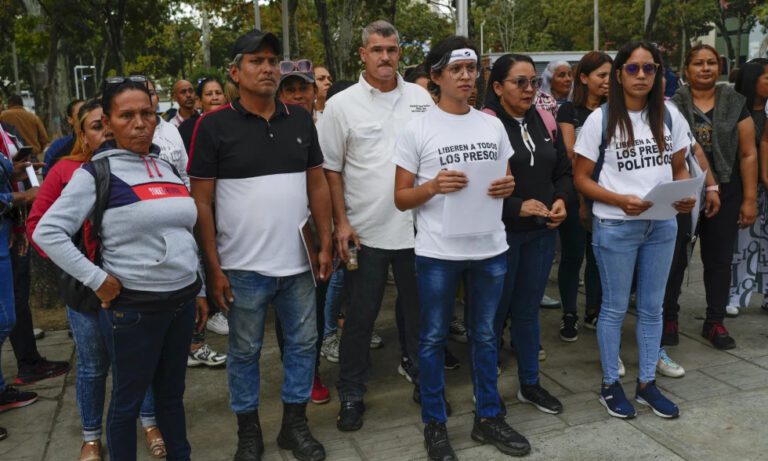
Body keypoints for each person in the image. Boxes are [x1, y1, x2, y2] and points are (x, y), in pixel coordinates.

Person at [34, 76, 202, 461]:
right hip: (134, 310)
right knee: (127, 405)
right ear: (107, 123)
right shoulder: (95, 174)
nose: (140, 123)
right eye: (127, 115)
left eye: (147, 113)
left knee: (172, 399)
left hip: (181, 304)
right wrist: (97, 280)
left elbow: (185, 232)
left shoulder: (164, 166)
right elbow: (48, 231)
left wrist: (200, 287)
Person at [189, 29, 332, 461]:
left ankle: (295, 426)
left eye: (273, 60)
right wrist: (212, 270)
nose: (268, 68)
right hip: (243, 268)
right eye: (256, 60)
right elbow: (202, 202)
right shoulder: (212, 126)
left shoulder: (300, 119)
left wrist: (326, 243)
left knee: (304, 345)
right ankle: (248, 432)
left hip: (299, 265)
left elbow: (318, 185)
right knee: (245, 351)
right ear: (235, 72)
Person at [393, 35, 528, 460]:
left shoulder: (491, 123)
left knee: (486, 336)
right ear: (436, 77)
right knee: (433, 338)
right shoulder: (417, 128)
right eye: (457, 69)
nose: (467, 76)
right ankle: (435, 423)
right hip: (438, 252)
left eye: (472, 69)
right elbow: (400, 198)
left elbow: (504, 180)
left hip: (490, 247)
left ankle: (488, 416)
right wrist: (432, 186)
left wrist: (509, 186)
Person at [317, 20, 433, 432]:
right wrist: (341, 223)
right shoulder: (341, 105)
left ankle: (425, 380)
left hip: (420, 230)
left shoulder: (421, 98)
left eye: (392, 49)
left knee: (421, 314)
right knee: (361, 319)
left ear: (400, 53)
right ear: (362, 54)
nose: (386, 57)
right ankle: (351, 392)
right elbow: (331, 170)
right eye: (378, 50)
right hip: (364, 234)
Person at [573, 41, 696, 420]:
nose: (641, 75)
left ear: (658, 73)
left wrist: (686, 192)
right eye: (632, 69)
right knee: (612, 309)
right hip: (616, 225)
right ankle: (610, 384)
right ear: (619, 74)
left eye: (649, 68)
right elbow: (580, 178)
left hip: (661, 224)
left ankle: (646, 384)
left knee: (652, 308)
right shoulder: (601, 118)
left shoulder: (670, 116)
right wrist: (618, 199)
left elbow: (679, 166)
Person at [485, 53, 572, 416]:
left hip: (540, 234)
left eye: (534, 81)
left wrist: (562, 201)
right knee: (490, 316)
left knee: (527, 311)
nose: (529, 89)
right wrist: (516, 206)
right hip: (500, 237)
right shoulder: (486, 127)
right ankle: (486, 391)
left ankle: (530, 383)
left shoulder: (544, 118)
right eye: (519, 82)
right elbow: (477, 188)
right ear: (497, 87)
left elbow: (563, 171)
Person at [666, 44, 758, 349]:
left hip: (728, 188)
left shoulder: (734, 101)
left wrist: (748, 199)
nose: (705, 68)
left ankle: (715, 321)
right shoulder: (672, 105)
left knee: (718, 259)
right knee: (675, 259)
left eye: (710, 63)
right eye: (698, 63)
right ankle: (669, 318)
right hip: (682, 189)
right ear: (686, 70)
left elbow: (747, 153)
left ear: (718, 67)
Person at [556, 51, 612, 339]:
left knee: (597, 254)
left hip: (606, 194)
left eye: (610, 75)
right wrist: (580, 199)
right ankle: (569, 313)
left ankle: (593, 309)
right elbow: (569, 152)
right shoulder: (568, 111)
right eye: (601, 75)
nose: (607, 81)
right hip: (576, 191)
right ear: (584, 78)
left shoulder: (614, 111)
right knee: (573, 254)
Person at [0, 121, 40, 443]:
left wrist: (13, 173)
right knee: (4, 320)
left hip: (4, 236)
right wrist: (23, 196)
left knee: (6, 316)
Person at [727, 59, 768, 315]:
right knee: (743, 244)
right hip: (744, 188)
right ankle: (734, 294)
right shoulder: (736, 110)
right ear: (753, 81)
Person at [178, 77, 227, 153]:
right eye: (209, 94)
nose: (215, 98)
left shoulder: (235, 124)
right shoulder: (187, 128)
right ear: (199, 101)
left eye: (218, 93)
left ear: (225, 98)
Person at [43, 98, 84, 175]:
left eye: (89, 112)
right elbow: (48, 175)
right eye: (80, 114)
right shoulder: (58, 147)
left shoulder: (101, 142)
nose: (85, 117)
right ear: (70, 119)